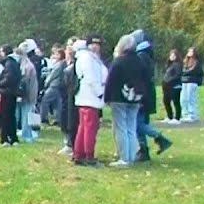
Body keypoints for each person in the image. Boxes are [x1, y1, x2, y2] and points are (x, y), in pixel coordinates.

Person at [131, 31, 173, 161]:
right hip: (147, 94)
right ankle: (143, 151)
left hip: (143, 95)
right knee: (140, 123)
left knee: (138, 124)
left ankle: (160, 138)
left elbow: (140, 77)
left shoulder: (141, 56)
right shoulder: (146, 55)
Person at [104, 33, 144, 167]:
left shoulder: (119, 61)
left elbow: (111, 81)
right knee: (131, 128)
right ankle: (131, 156)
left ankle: (124, 158)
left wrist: (107, 97)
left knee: (120, 128)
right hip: (136, 98)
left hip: (119, 98)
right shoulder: (140, 61)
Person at [73, 36, 108, 166]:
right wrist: (99, 93)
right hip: (90, 97)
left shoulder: (88, 58)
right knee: (90, 128)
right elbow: (91, 78)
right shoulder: (87, 58)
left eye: (98, 44)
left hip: (87, 97)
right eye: (93, 44)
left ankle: (79, 154)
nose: (96, 47)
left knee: (84, 127)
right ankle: (89, 155)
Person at [0, 45, 22, 146]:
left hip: (6, 92)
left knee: (4, 116)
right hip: (12, 92)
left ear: (4, 52)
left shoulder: (9, 63)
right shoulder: (14, 62)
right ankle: (13, 137)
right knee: (11, 116)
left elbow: (8, 77)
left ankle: (5, 138)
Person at [17, 44, 39, 144]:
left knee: (28, 114)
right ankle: (30, 132)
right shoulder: (28, 64)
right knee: (28, 113)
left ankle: (28, 134)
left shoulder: (26, 66)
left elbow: (25, 81)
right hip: (30, 92)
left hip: (28, 93)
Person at [40, 47, 65, 126]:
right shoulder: (62, 64)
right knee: (57, 103)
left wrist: (46, 83)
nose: (55, 56)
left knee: (45, 100)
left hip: (53, 85)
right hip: (58, 86)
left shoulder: (59, 64)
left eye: (57, 54)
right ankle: (58, 119)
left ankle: (43, 118)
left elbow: (52, 75)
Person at [180, 48, 203, 123]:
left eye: (191, 51)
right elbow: (182, 70)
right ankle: (185, 114)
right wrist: (184, 73)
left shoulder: (196, 62)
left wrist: (185, 73)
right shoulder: (185, 61)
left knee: (191, 98)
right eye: (189, 51)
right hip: (184, 82)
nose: (190, 53)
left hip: (192, 82)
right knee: (183, 99)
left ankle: (192, 115)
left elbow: (193, 71)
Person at [161, 49, 183, 124]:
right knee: (166, 101)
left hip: (175, 86)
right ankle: (170, 116)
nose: (172, 57)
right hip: (167, 86)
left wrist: (169, 80)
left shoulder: (177, 65)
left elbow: (177, 75)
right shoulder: (170, 65)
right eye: (171, 55)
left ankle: (177, 118)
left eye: (173, 55)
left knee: (176, 101)